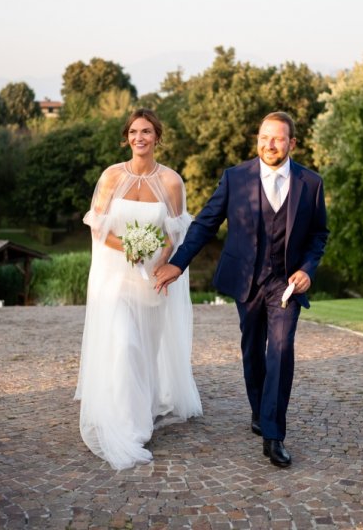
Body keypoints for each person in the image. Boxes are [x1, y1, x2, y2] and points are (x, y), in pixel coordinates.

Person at [154, 111, 328, 468]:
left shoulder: (311, 183)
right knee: (252, 349)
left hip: (286, 285)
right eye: (264, 137)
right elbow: (205, 224)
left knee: (280, 350)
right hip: (246, 279)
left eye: (278, 138)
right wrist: (177, 263)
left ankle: (274, 434)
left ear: (292, 143)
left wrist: (307, 269)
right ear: (257, 139)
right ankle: (258, 410)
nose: (270, 144)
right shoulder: (235, 178)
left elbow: (318, 235)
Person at [75, 108, 202, 470]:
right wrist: (130, 247)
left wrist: (160, 260)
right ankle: (128, 426)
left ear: (157, 137)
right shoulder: (112, 176)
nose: (139, 137)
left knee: (145, 347)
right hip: (114, 276)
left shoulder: (173, 182)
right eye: (133, 132)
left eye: (146, 131)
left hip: (153, 279)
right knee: (124, 342)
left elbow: (176, 232)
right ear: (127, 137)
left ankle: (141, 404)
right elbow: (97, 225)